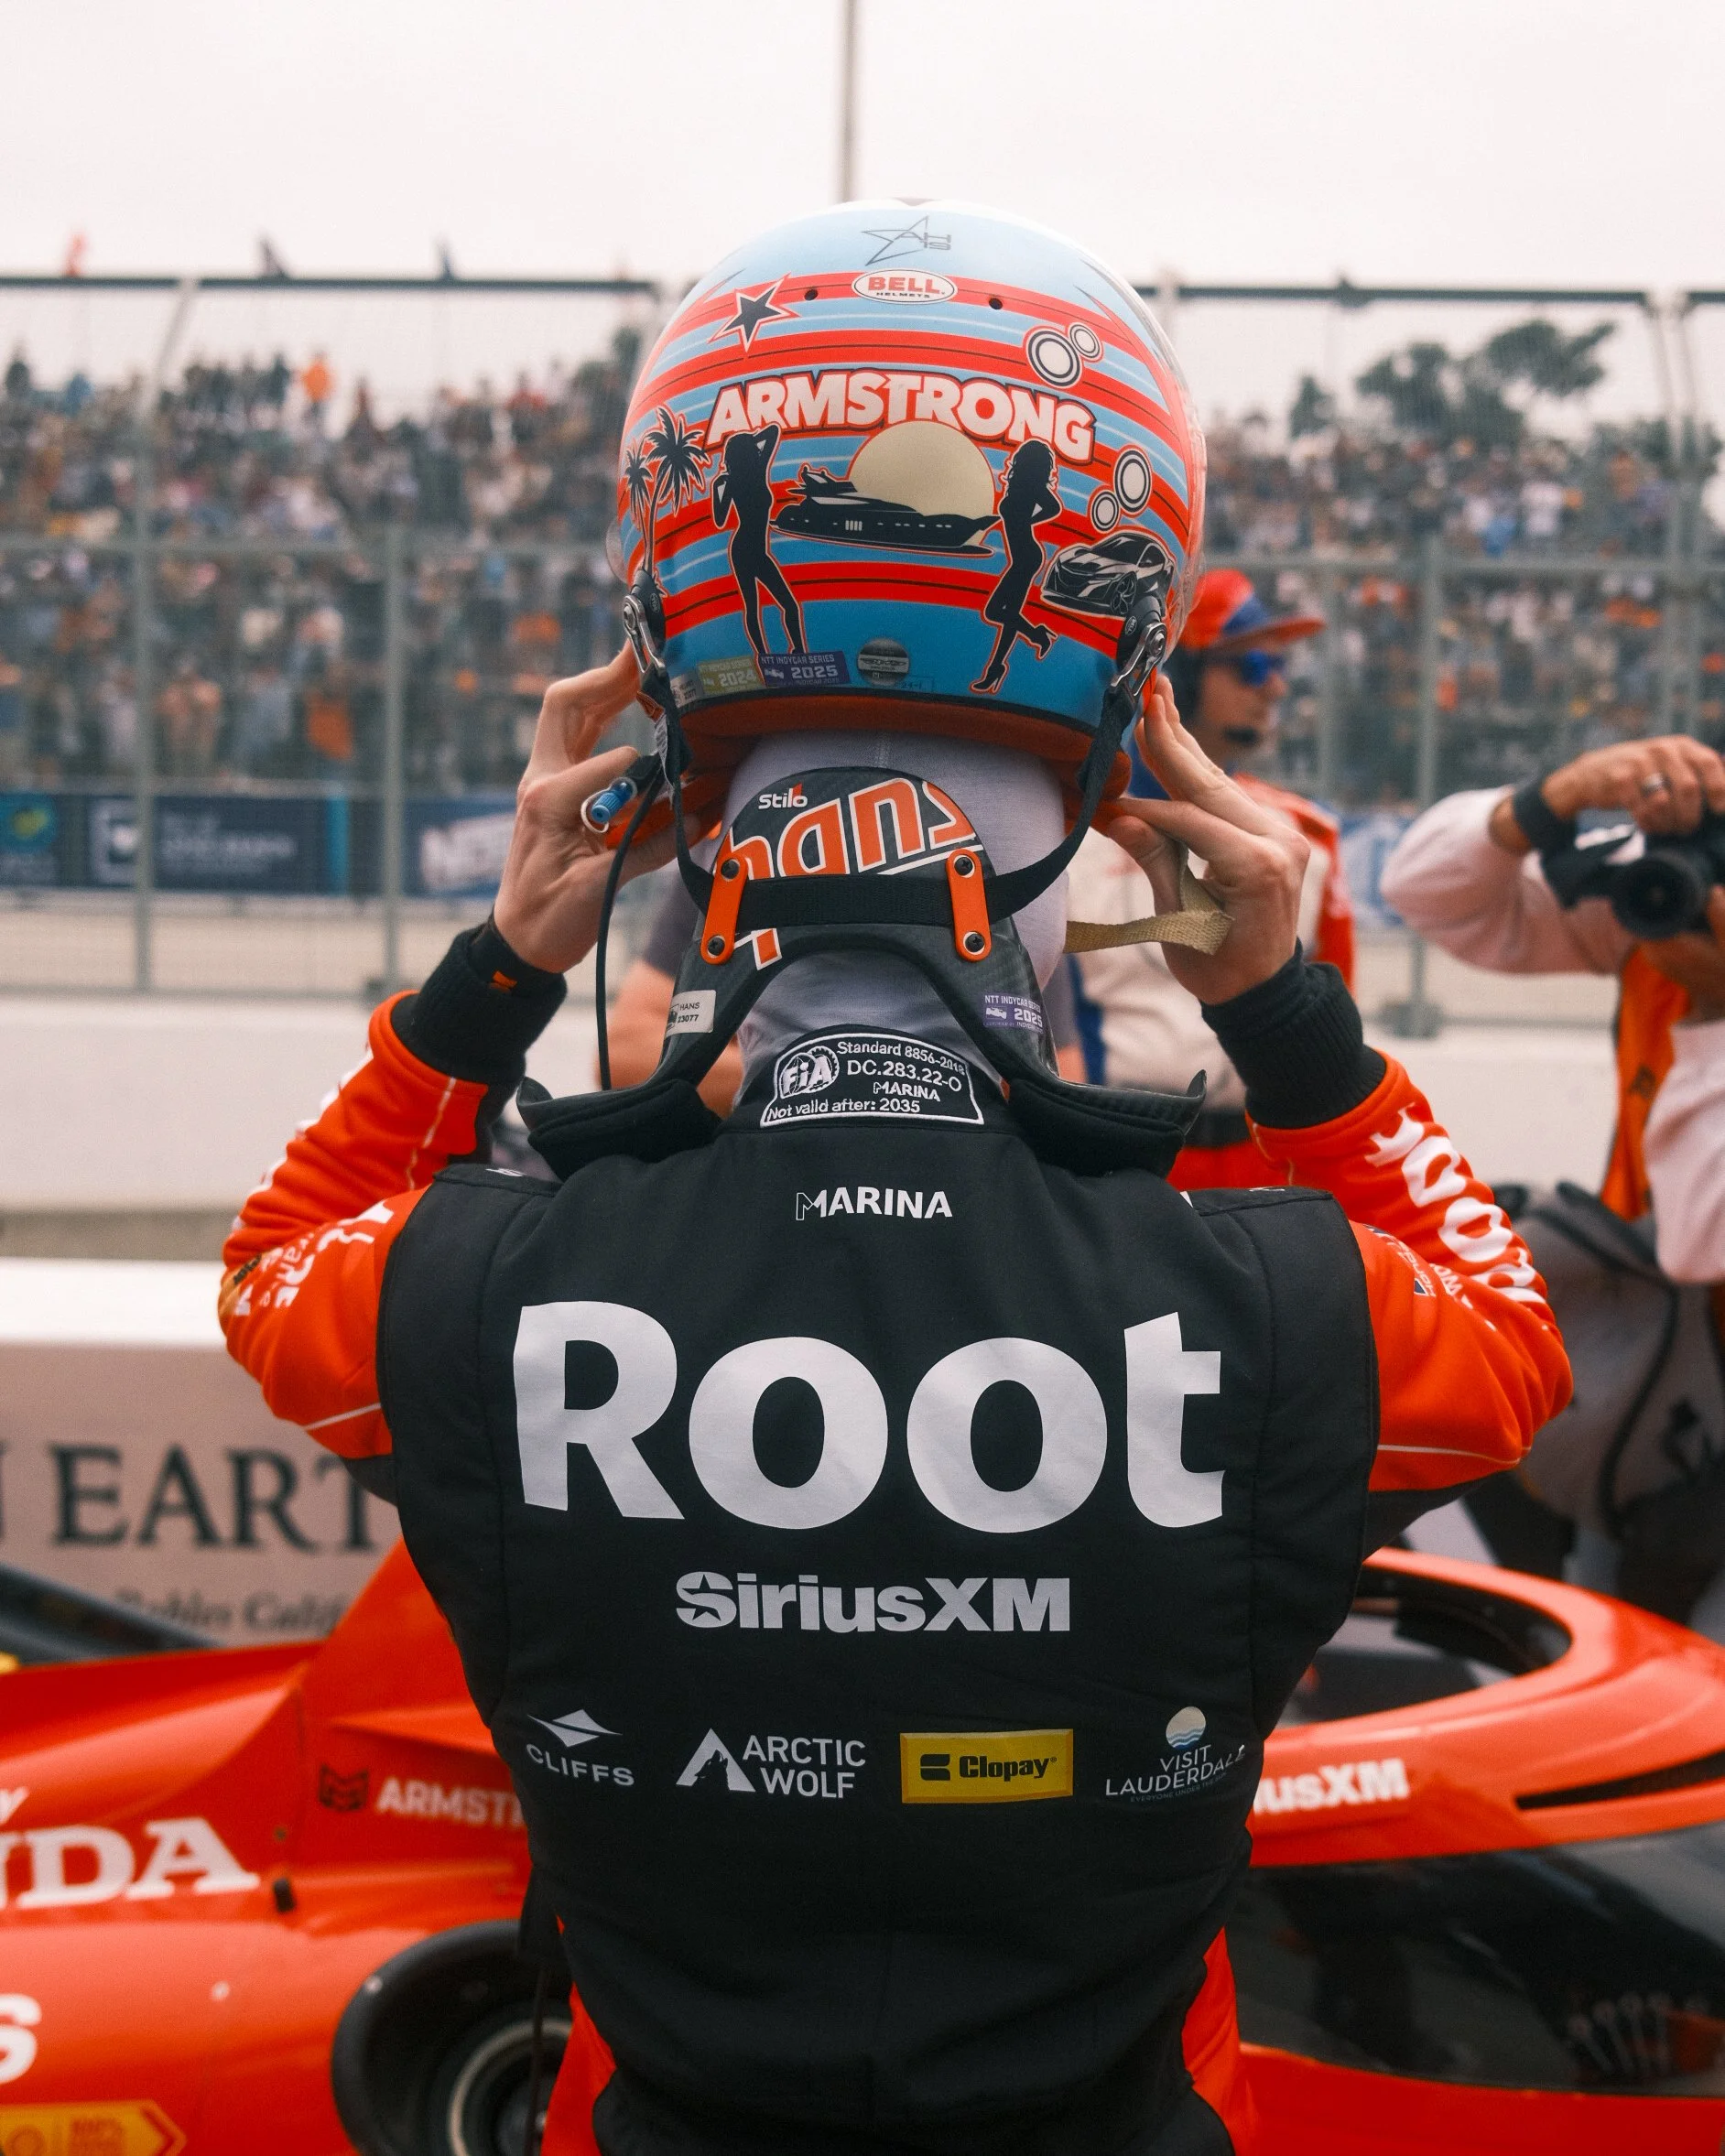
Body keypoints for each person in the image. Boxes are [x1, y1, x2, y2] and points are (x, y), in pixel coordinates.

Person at [219, 204, 1567, 2156]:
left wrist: (491, 975)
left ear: (677, 785)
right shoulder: (1274, 1304)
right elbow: (1511, 1336)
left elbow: (270, 1269)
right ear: (1122, 757)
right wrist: (1290, 1017)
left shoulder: (484, 1286)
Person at [1381, 735, 1725, 1605]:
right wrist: (1553, 797)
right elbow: (1424, 890)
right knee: (1628, 1659)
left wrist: (1718, 1011)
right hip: (1658, 1384)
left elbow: (1702, 1239)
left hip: (1684, 1344)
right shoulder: (1668, 918)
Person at [1067, 569, 1354, 1187]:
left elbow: (1330, 1029)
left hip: (1265, 1165)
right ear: (1178, 669)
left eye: (1281, 666)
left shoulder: (1309, 843)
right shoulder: (1064, 833)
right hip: (1111, 1162)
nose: (1275, 685)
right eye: (1252, 664)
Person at [605, 872, 1090, 1108]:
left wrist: (801, 1067)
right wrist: (872, 1079)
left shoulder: (1006, 865)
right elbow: (626, 1054)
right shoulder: (737, 842)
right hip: (763, 1180)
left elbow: (1059, 1079)